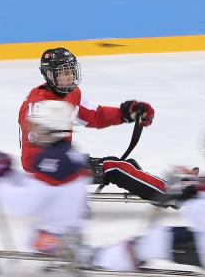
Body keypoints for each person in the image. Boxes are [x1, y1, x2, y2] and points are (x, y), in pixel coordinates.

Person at [74, 117, 205, 277]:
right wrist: (197, 184)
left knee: (154, 239)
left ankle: (97, 258)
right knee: (164, 234)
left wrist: (184, 197)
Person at [18, 47, 166, 202]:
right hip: (43, 169)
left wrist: (128, 113)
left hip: (62, 159)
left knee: (122, 166)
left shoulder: (71, 93)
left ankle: (160, 189)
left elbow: (95, 116)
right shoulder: (37, 104)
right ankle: (172, 193)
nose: (71, 77)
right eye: (65, 73)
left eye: (72, 71)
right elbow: (37, 149)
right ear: (50, 75)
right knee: (116, 168)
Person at [0, 100, 92, 253]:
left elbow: (21, 206)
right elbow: (44, 188)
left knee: (31, 238)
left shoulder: (52, 161)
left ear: (50, 128)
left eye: (38, 126)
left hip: (54, 240)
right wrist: (9, 173)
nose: (33, 131)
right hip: (72, 232)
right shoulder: (68, 152)